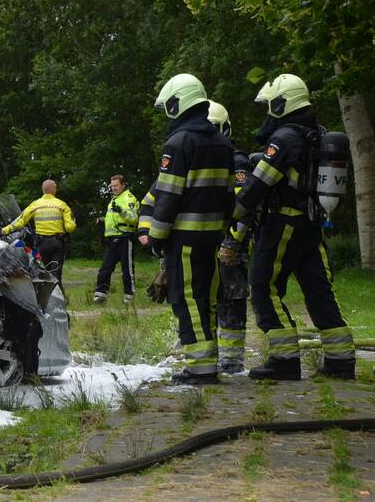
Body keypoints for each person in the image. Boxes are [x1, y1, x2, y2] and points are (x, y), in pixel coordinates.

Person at [222, 74, 355, 380]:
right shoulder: (317, 133)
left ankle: (284, 360)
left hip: (283, 224)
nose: (268, 112)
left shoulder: (284, 138)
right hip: (312, 225)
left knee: (263, 288)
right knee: (319, 290)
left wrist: (234, 214)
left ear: (282, 104)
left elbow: (259, 183)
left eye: (270, 106)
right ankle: (341, 360)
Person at [148, 74, 235, 385]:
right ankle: (207, 361)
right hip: (212, 236)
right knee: (207, 297)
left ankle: (200, 368)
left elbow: (168, 196)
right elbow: (229, 196)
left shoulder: (179, 143)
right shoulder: (223, 143)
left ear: (177, 104)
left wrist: (156, 237)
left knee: (187, 299)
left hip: (184, 236)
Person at [207, 100, 252, 374]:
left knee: (232, 298)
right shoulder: (200, 160)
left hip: (229, 245)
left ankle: (232, 359)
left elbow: (244, 205)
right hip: (205, 241)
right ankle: (206, 353)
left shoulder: (236, 161)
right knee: (205, 298)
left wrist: (232, 241)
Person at [1, 179, 76, 281]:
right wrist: (73, 221)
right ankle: (57, 294)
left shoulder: (35, 205)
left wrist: (6, 229)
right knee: (56, 274)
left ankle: (45, 294)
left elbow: (20, 220)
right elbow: (69, 228)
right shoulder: (62, 205)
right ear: (54, 190)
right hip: (57, 244)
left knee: (45, 273)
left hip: (41, 244)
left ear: (43, 190)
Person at [93, 175, 140, 303]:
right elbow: (113, 219)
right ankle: (101, 295)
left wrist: (121, 211)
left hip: (125, 238)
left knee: (127, 269)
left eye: (116, 185)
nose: (113, 188)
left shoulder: (129, 198)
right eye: (112, 186)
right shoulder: (114, 199)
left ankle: (129, 297)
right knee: (105, 268)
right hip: (112, 240)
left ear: (123, 185)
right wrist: (103, 220)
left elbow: (134, 218)